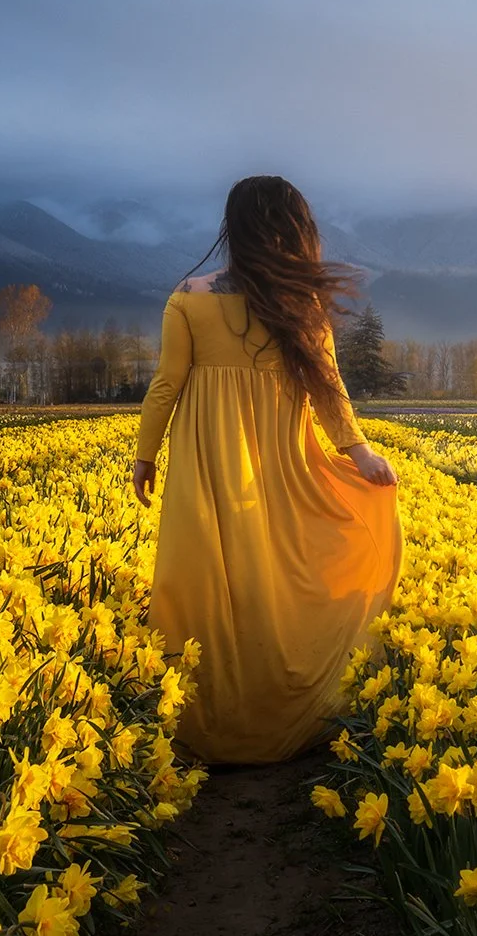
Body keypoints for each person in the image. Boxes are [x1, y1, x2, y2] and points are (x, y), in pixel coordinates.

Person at [132, 175, 402, 763]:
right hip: (281, 462)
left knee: (208, 583)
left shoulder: (188, 296)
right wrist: (360, 454)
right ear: (293, 229)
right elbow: (329, 390)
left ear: (234, 227)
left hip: (206, 459)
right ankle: (288, 699)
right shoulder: (300, 306)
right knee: (282, 578)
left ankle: (208, 717)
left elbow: (166, 385)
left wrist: (145, 455)